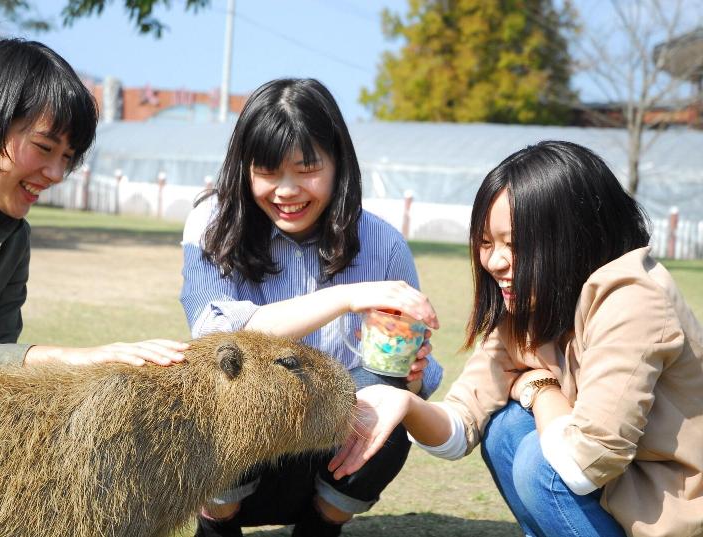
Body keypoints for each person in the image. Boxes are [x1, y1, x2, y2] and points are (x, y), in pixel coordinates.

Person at [330, 140, 703, 537]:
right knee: (505, 428)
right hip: (612, 496)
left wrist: (538, 387)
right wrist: (403, 403)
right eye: (487, 243)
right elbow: (461, 424)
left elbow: (581, 465)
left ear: (575, 234)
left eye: (515, 243)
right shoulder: (530, 305)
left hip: (667, 520)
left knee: (538, 461)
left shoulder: (632, 297)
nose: (494, 261)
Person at [180, 78, 443, 537]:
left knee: (385, 399)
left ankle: (321, 525)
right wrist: (344, 297)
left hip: (332, 459)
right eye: (267, 171)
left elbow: (408, 384)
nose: (286, 190)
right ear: (244, 169)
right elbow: (214, 336)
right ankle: (217, 527)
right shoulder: (213, 224)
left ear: (338, 164)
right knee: (229, 375)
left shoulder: (384, 244)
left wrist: (412, 374)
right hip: (235, 463)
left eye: (306, 169)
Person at [0, 38, 187, 367]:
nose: (56, 174)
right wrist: (59, 357)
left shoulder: (11, 238)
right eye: (43, 147)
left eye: (67, 157)